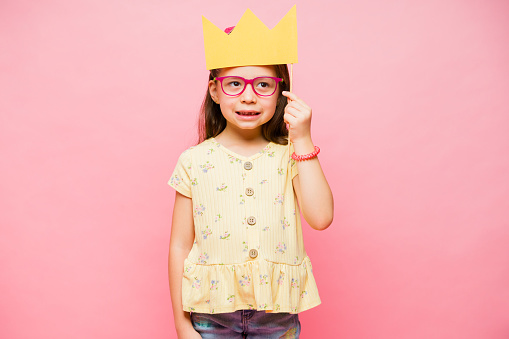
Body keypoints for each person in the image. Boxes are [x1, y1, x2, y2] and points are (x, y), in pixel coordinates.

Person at [168, 12, 333, 338]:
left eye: (262, 85)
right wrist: (181, 323)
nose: (248, 96)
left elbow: (321, 217)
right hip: (210, 315)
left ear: (280, 92)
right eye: (234, 84)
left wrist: (302, 138)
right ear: (215, 91)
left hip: (277, 315)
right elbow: (178, 246)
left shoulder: (290, 155)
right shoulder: (194, 161)